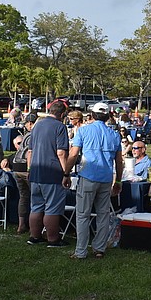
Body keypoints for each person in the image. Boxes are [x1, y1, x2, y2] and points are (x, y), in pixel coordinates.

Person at [64, 102, 122, 259]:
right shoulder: (115, 135)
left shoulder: (83, 131)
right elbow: (119, 161)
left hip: (88, 176)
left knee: (83, 215)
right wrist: (118, 181)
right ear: (108, 116)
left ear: (93, 115)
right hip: (106, 178)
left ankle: (81, 251)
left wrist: (66, 173)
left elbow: (74, 154)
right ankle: (99, 249)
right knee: (103, 214)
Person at [28, 101, 71, 248]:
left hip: (35, 171)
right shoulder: (60, 127)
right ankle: (53, 239)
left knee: (36, 206)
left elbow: (30, 151)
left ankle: (34, 236)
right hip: (52, 172)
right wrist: (66, 173)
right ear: (62, 114)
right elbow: (61, 152)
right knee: (52, 208)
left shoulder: (37, 125)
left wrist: (29, 169)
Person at [9, 112, 38, 235]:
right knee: (35, 198)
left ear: (30, 123)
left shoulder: (26, 135)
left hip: (17, 166)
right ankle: (33, 228)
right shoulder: (34, 135)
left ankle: (21, 226)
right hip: (26, 167)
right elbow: (31, 153)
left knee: (23, 197)